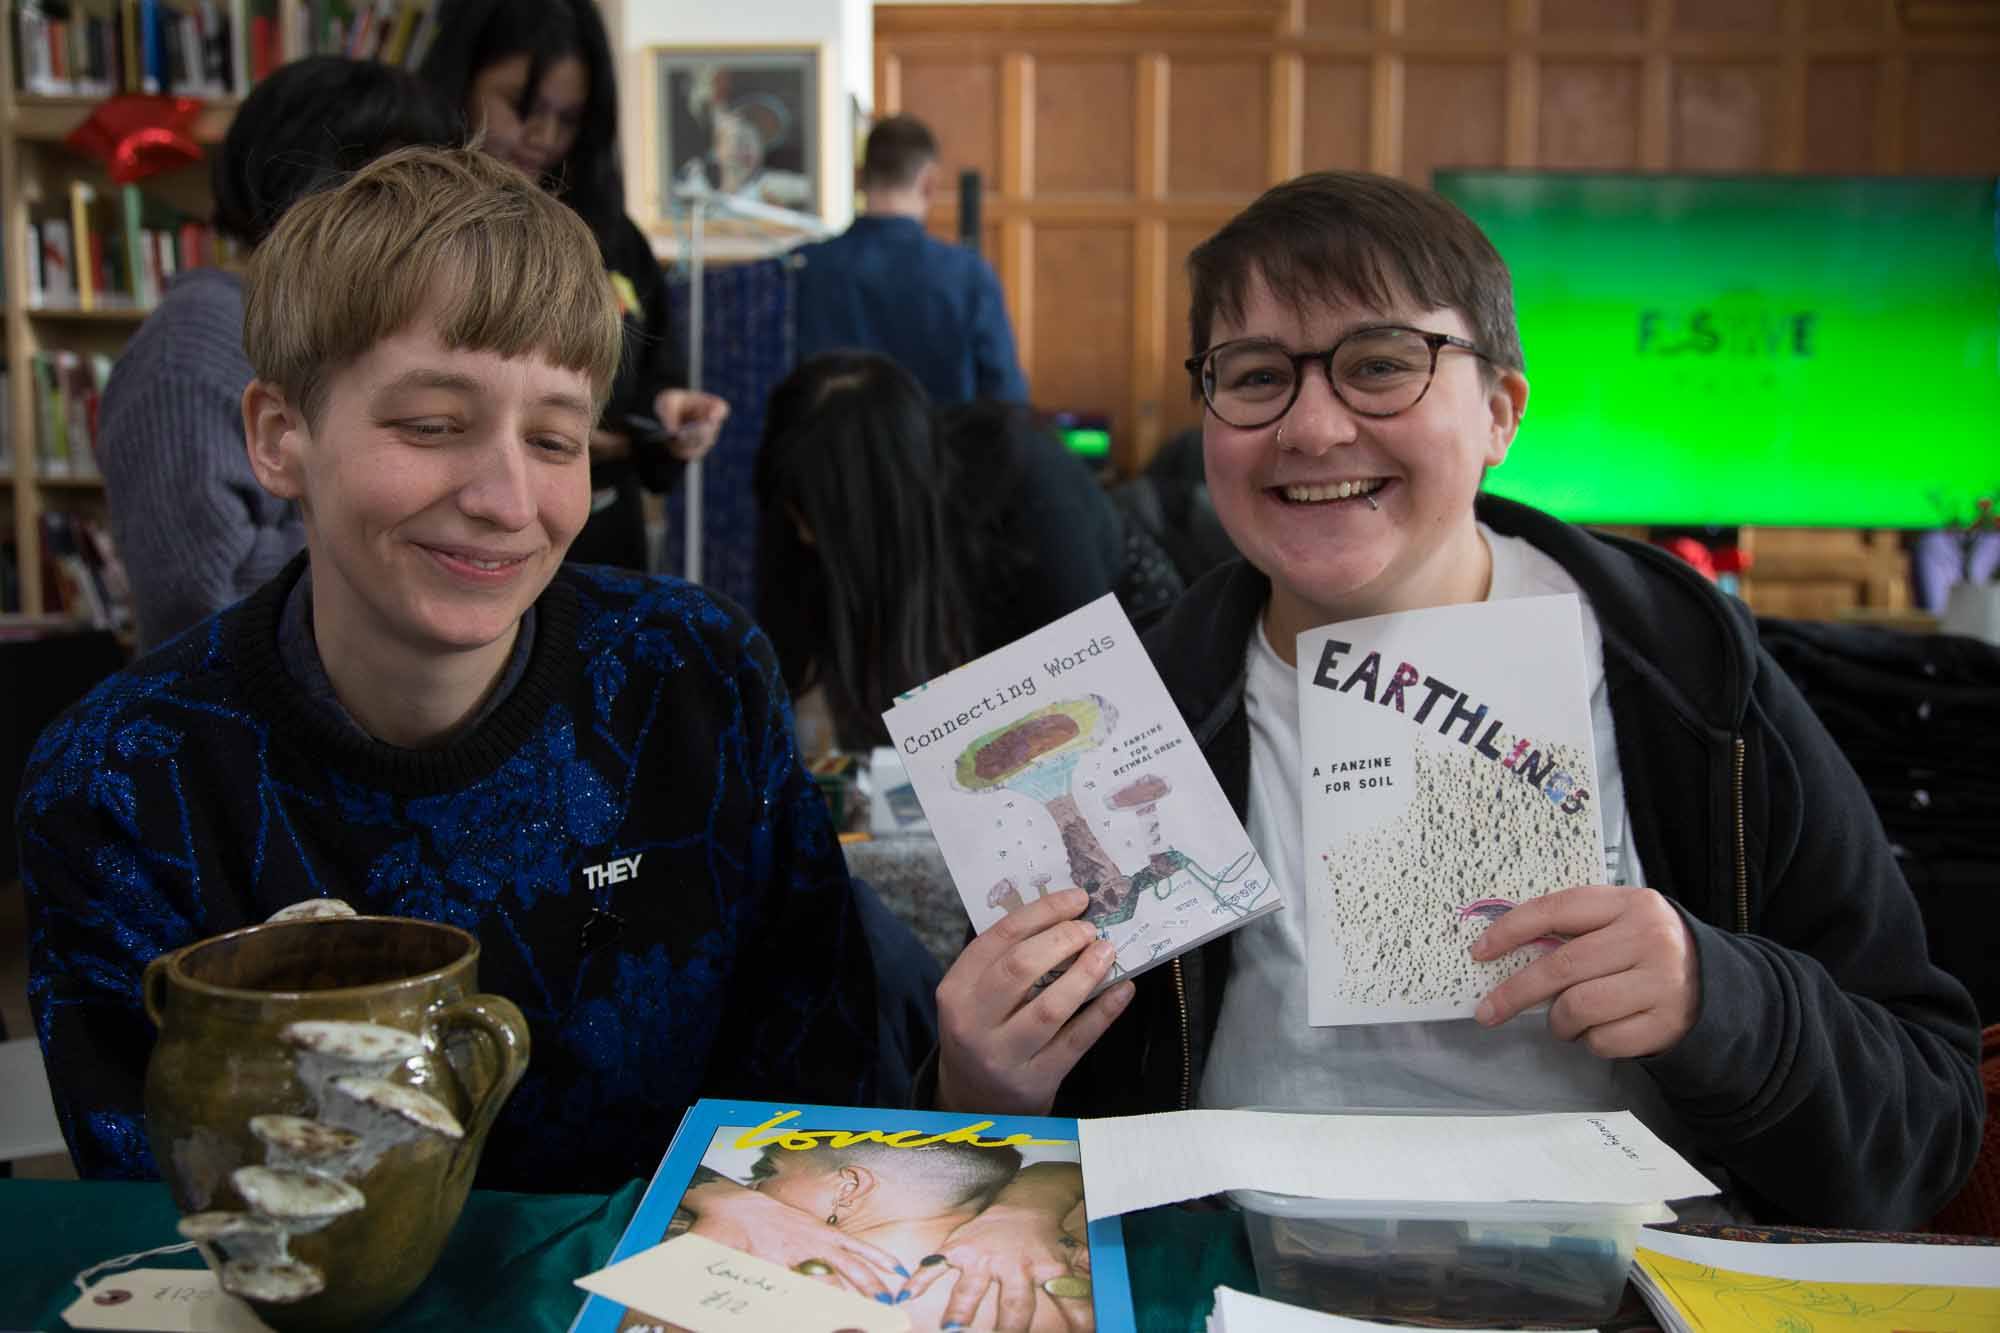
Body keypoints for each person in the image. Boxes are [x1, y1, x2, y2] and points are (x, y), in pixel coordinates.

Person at [924, 171, 1985, 1232]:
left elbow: (1927, 1120)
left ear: (1498, 411)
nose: (1312, 426)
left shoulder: (1684, 678)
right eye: (1254, 377)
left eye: (1380, 365)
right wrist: (979, 1088)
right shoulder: (1137, 713)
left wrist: (1721, 1001)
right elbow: (1016, 1183)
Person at [17, 146, 881, 1194]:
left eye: (557, 441)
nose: (507, 500)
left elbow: (820, 1104)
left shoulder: (696, 680)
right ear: (280, 435)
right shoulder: (123, 782)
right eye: (432, 426)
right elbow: (169, 1226)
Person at [97, 56, 464, 650]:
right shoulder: (188, 350)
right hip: (224, 720)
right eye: (394, 195)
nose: (429, 229)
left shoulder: (344, 331)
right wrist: (403, 534)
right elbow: (200, 591)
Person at [420, 0, 730, 571]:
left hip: (602, 546)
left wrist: (668, 411)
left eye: (568, 118)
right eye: (522, 106)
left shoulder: (613, 236)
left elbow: (653, 372)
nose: (543, 136)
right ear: (460, 84)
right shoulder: (414, 230)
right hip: (459, 538)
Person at [753, 353, 1138, 754]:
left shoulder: (1027, 495)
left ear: (880, 503)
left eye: (818, 520)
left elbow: (1089, 702)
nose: (803, 534)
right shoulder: (801, 506)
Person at [670, 1141, 1092, 1333]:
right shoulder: (1073, 1269)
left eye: (767, 1173)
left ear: (848, 1188)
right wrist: (1027, 1207)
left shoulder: (732, 1276)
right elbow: (1074, 1168)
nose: (752, 1190)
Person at [792, 116, 1028, 406]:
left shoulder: (802, 269)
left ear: (858, 178)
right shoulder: (969, 276)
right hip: (939, 447)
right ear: (930, 183)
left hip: (828, 449)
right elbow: (1006, 397)